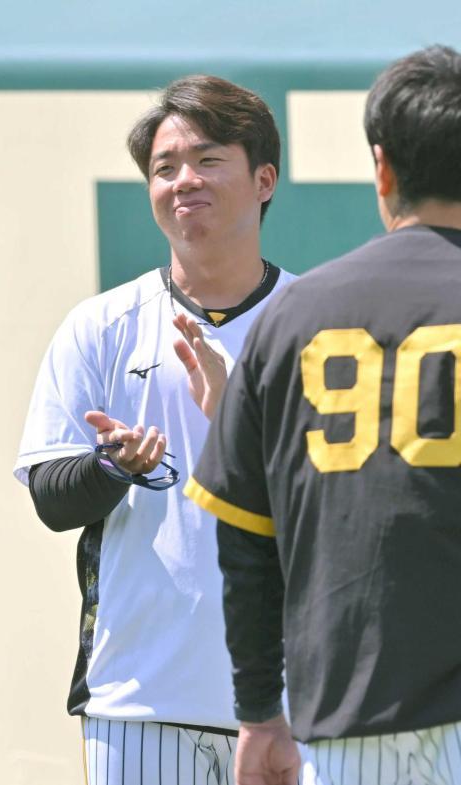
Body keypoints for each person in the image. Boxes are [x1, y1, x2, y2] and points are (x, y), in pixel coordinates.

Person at [186, 44, 461, 785]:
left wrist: (257, 712)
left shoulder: (295, 316)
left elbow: (245, 540)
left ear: (384, 167)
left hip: (348, 722)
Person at [14, 75, 296, 785]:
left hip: (290, 705)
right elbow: (52, 496)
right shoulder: (101, 325)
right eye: (164, 168)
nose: (182, 181)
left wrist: (240, 422)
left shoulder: (313, 321)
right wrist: (113, 468)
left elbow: (343, 503)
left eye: (206, 160)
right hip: (139, 701)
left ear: (264, 179)